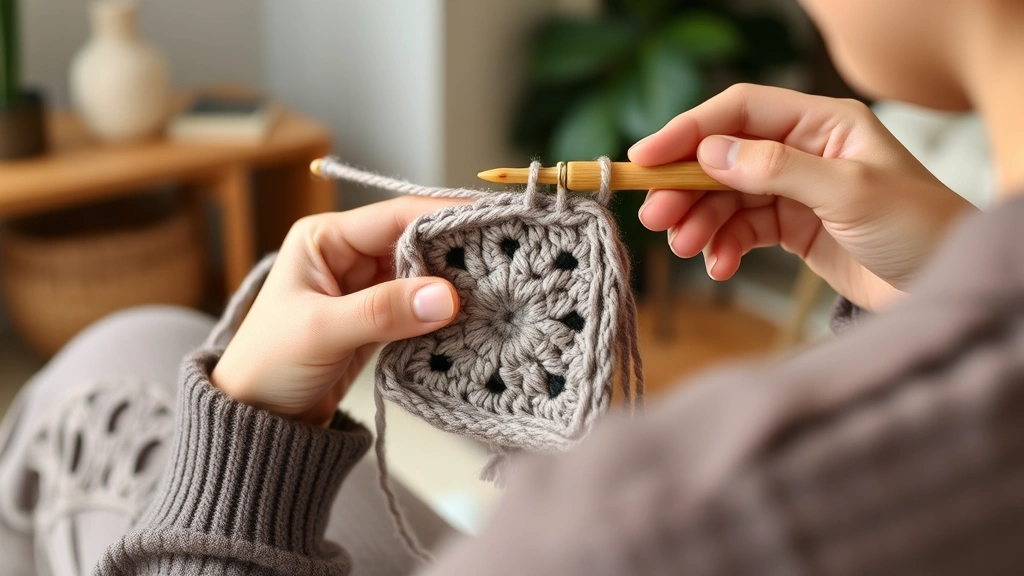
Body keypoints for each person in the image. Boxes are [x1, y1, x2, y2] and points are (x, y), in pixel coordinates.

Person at [2, 0, 1023, 572]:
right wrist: (929, 293)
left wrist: (245, 446)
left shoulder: (653, 524)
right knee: (132, 342)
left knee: (106, 371)